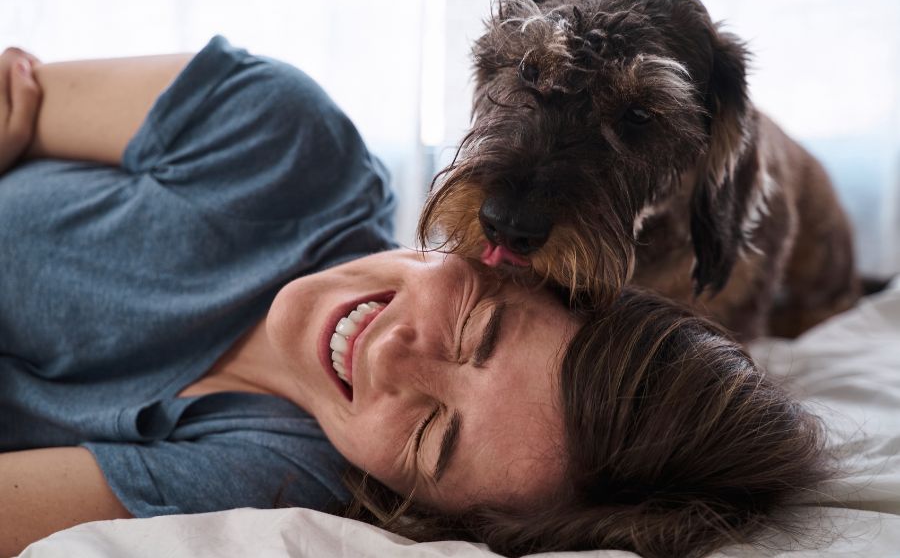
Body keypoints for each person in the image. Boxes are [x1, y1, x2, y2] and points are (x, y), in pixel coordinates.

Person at [0, 37, 834, 558]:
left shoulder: (272, 478)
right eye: (478, 327)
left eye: (435, 439)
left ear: (423, 507)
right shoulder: (276, 134)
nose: (397, 358)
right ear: (507, 260)